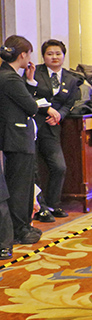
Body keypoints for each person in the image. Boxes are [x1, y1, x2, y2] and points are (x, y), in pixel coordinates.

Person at [27, 39, 81, 222]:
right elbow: (28, 95)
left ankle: (53, 203)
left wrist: (60, 115)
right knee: (34, 169)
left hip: (52, 127)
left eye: (58, 53)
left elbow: (69, 103)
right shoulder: (35, 72)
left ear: (64, 55)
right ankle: (40, 207)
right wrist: (47, 109)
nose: (54, 57)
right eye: (50, 54)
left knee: (59, 166)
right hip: (34, 124)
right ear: (44, 56)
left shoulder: (71, 78)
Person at [0, 36, 41, 246]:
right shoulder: (10, 78)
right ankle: (20, 230)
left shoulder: (9, 76)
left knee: (20, 184)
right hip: (17, 137)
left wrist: (30, 81)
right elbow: (31, 107)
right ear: (23, 54)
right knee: (20, 186)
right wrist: (29, 85)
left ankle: (22, 227)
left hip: (15, 136)